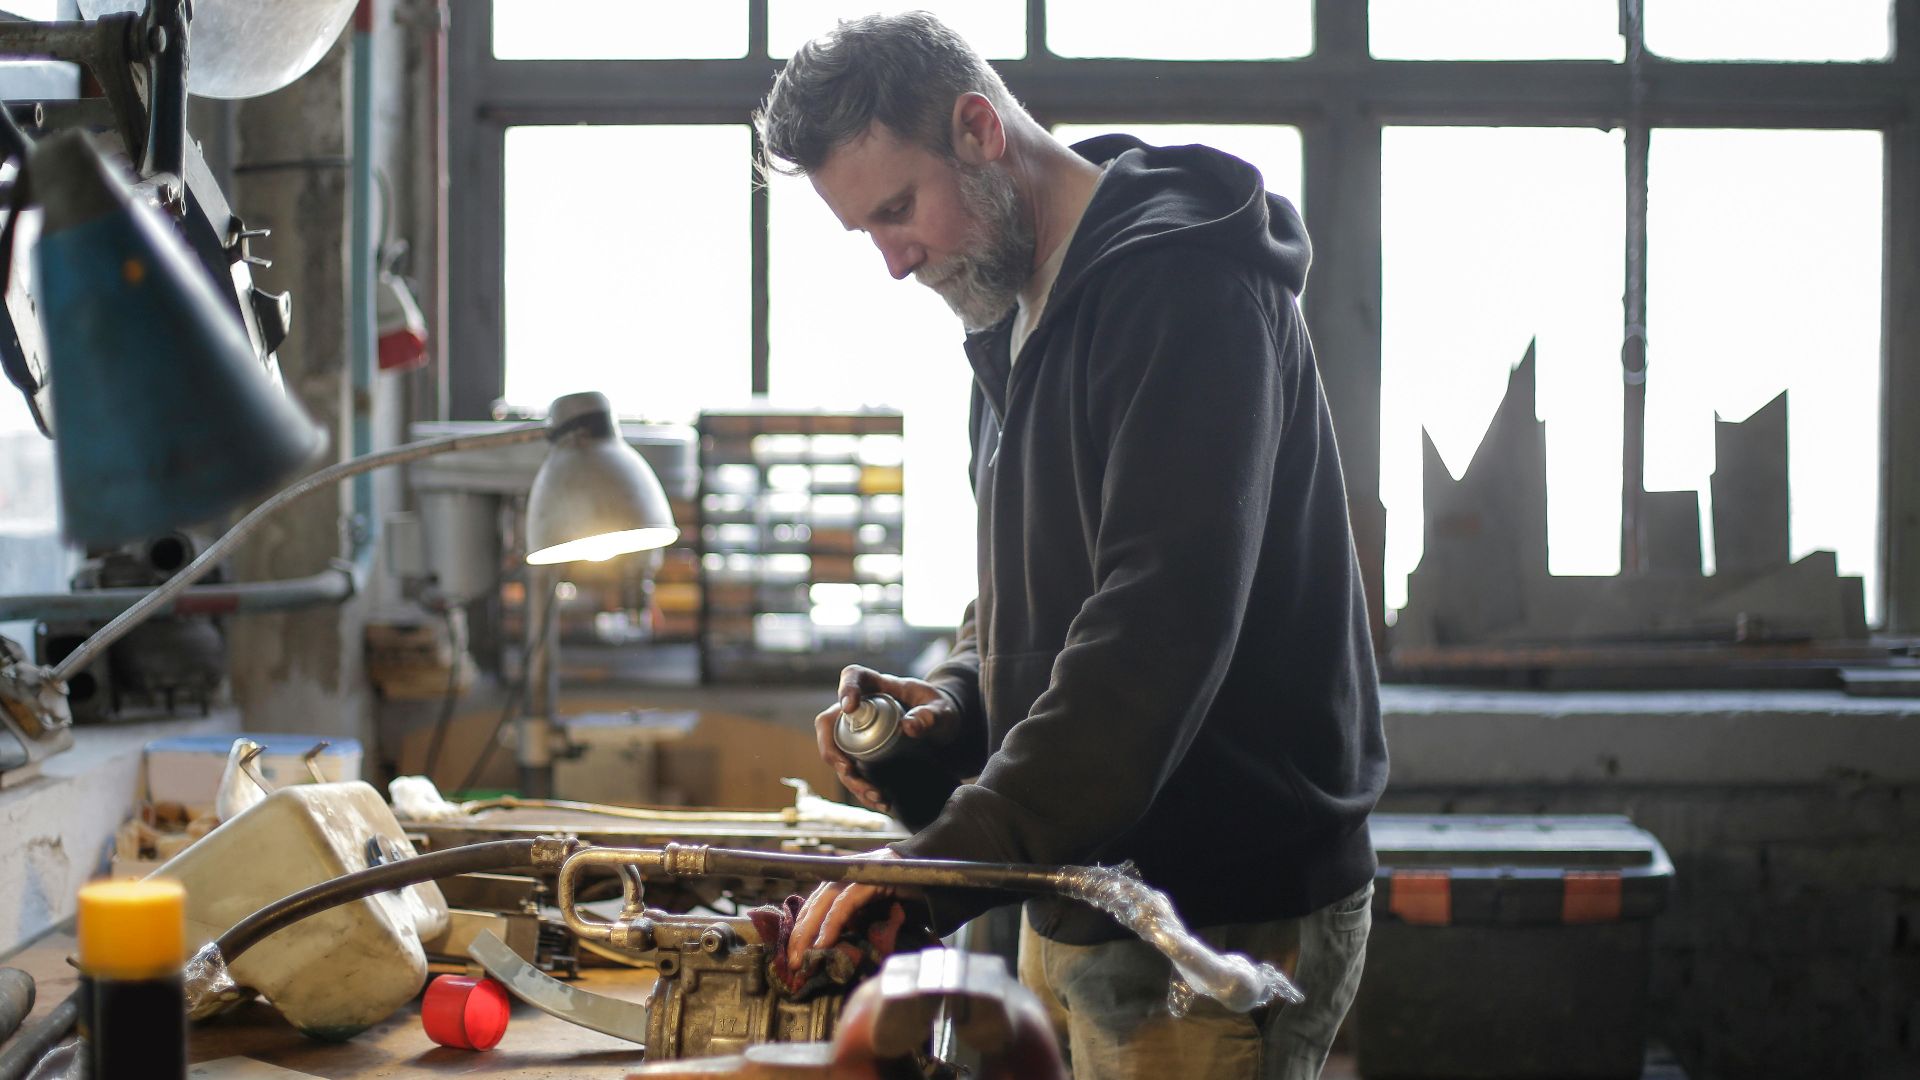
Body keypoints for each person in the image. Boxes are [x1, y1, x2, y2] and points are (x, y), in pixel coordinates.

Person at [753, 12, 1388, 1079]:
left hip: (1212, 915)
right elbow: (1031, 594)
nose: (894, 263)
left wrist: (939, 867)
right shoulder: (1009, 319)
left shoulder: (1186, 291)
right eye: (866, 232)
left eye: (897, 210)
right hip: (1079, 888)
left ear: (977, 129)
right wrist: (954, 701)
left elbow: (1154, 631)